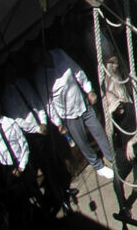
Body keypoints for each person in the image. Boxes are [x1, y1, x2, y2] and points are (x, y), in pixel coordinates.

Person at [42, 45, 114, 180]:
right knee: (83, 143)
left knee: (99, 131)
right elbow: (48, 103)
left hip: (82, 103)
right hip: (68, 115)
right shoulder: (41, 76)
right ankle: (98, 166)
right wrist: (58, 123)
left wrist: (89, 90)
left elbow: (76, 71)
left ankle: (112, 157)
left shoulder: (59, 53)